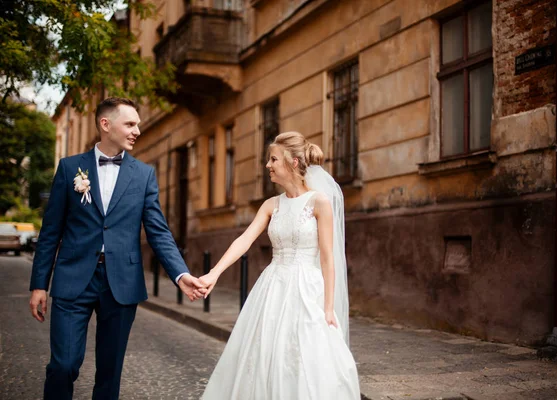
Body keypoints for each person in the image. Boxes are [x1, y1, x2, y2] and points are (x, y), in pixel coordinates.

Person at [28, 97, 206, 400]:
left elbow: (158, 231)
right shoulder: (70, 168)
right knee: (64, 364)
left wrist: (180, 274)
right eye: (130, 124)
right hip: (73, 279)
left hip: (121, 282)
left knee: (109, 373)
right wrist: (39, 284)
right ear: (105, 125)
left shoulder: (144, 174)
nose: (137, 130)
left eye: (137, 124)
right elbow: (50, 231)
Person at [199, 131, 360, 399]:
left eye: (273, 159)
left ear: (293, 163)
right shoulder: (271, 205)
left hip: (308, 290)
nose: (268, 165)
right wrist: (214, 273)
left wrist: (329, 308)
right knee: (264, 355)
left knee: (306, 357)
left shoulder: (319, 202)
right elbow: (244, 240)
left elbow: (328, 258)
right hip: (272, 288)